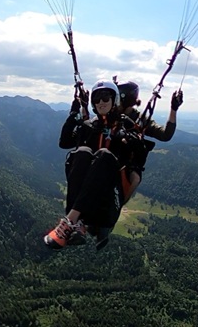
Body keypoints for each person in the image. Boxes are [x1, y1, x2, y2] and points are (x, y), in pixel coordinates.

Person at [45, 80, 147, 250]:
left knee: (104, 156)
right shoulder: (89, 126)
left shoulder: (127, 126)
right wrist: (74, 111)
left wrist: (129, 139)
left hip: (110, 194)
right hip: (87, 195)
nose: (101, 102)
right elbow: (64, 142)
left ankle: (69, 222)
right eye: (97, 98)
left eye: (106, 97)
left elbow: (140, 158)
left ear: (114, 100)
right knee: (82, 151)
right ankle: (75, 222)